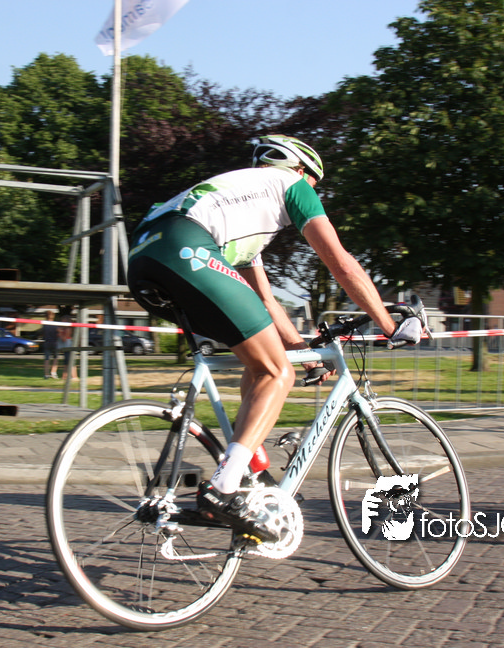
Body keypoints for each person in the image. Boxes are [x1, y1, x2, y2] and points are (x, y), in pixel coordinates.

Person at [126, 135, 423, 542]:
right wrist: (389, 323)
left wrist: (303, 350)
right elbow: (340, 262)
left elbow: (266, 301)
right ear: (301, 170)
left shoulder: (239, 216)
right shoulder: (293, 185)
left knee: (261, 363)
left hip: (145, 256)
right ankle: (223, 486)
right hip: (185, 247)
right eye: (314, 185)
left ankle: (251, 468)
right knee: (277, 373)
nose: (313, 195)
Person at [42, 310, 60, 379]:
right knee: (55, 358)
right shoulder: (55, 324)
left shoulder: (44, 324)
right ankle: (53, 372)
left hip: (47, 342)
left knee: (47, 359)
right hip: (54, 342)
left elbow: (43, 333)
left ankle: (46, 374)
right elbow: (58, 332)